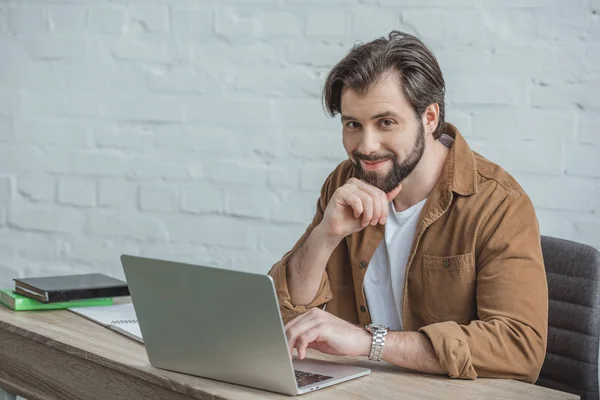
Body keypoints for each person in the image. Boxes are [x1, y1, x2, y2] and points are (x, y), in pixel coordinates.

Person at [268, 31, 548, 383]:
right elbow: (280, 319)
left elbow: (519, 348)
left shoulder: (499, 204)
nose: (366, 146)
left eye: (386, 122)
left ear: (429, 118)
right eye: (353, 124)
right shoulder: (345, 183)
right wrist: (324, 237)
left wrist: (369, 342)